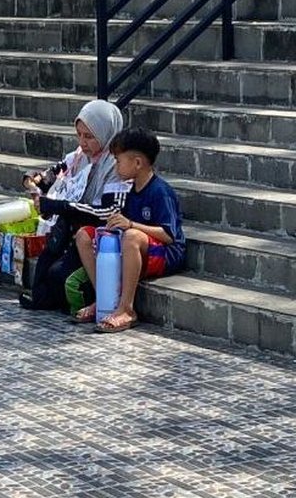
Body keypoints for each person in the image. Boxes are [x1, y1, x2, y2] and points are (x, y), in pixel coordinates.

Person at [42, 127, 186, 332]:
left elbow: (169, 236)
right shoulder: (128, 189)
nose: (116, 165)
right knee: (86, 235)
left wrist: (131, 225)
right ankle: (104, 300)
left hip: (164, 253)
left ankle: (127, 308)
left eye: (118, 161)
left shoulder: (160, 192)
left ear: (137, 163)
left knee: (132, 237)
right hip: (133, 246)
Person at [19, 99, 125, 312]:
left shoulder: (116, 164)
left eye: (89, 137)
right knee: (45, 265)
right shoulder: (79, 157)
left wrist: (61, 206)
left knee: (59, 274)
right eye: (79, 135)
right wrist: (33, 181)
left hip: (98, 233)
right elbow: (50, 175)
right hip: (70, 227)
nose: (83, 142)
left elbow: (108, 211)